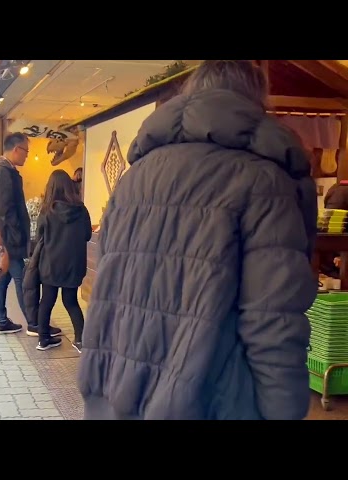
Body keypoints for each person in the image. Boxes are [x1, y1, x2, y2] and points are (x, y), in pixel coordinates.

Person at [78, 60, 317, 420]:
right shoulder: (264, 181)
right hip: (209, 400)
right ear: (255, 99)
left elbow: (109, 291)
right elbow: (273, 320)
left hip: (117, 388)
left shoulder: (134, 178)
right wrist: (283, 410)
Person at [0, 133, 61, 337]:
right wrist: (16, 235)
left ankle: (0, 321)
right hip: (8, 238)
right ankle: (34, 324)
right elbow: (5, 208)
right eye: (26, 152)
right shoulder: (4, 172)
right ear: (16, 150)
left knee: (2, 279)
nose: (27, 156)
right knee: (24, 280)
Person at [30, 170, 92, 352]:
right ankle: (80, 340)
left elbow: (39, 237)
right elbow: (87, 235)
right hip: (73, 264)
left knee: (47, 301)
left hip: (50, 264)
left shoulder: (47, 211)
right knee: (71, 301)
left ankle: (44, 340)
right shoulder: (81, 210)